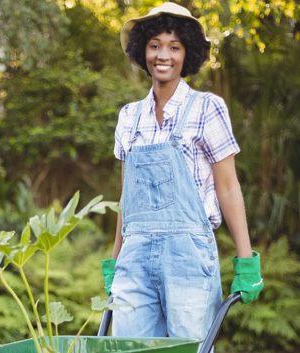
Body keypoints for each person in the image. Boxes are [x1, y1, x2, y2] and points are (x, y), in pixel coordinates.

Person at [100, 2, 264, 342]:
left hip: (189, 256)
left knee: (188, 348)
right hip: (135, 256)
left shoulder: (207, 107)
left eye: (174, 47)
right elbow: (125, 198)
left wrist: (245, 260)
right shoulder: (129, 117)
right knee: (128, 348)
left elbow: (228, 187)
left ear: (186, 54)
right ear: (143, 49)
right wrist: (114, 259)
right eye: (155, 45)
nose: (164, 55)